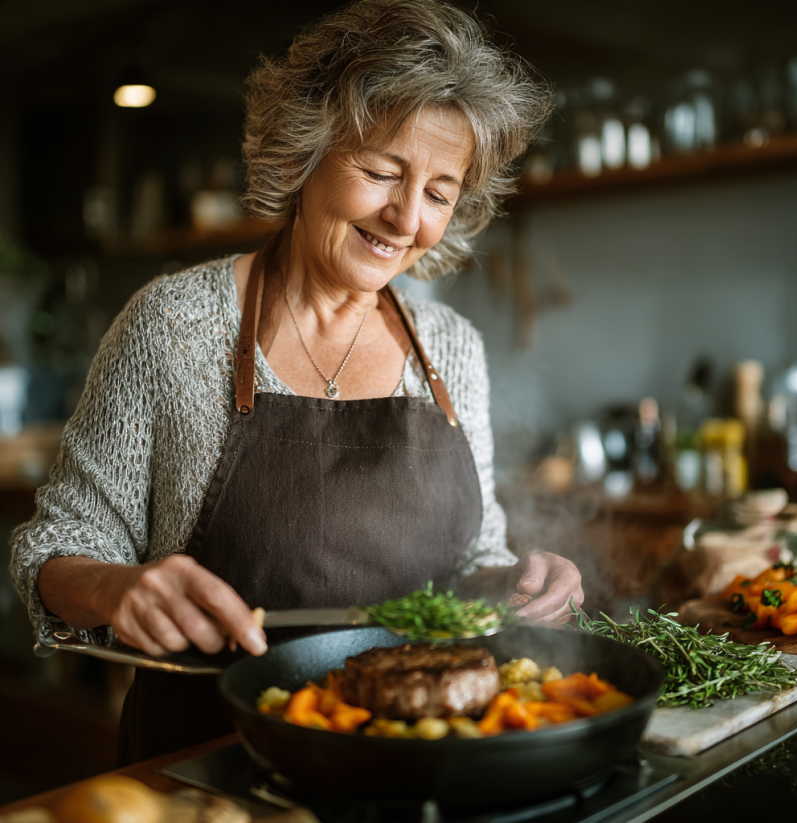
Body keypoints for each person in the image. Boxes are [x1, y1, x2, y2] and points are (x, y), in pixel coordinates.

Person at [10, 0, 583, 763]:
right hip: (211, 764)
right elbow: (53, 548)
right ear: (303, 153)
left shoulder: (451, 347)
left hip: (419, 758)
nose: (406, 216)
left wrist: (524, 580)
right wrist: (117, 589)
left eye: (439, 192)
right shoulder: (173, 325)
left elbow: (473, 561)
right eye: (382, 171)